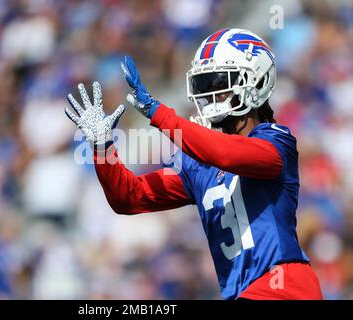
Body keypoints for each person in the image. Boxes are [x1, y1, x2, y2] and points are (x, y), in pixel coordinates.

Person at [64, 28, 323, 300]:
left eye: (220, 83)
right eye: (205, 86)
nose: (211, 95)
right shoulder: (198, 163)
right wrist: (102, 148)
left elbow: (228, 155)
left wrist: (158, 113)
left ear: (257, 81)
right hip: (243, 292)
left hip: (285, 287)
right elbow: (129, 198)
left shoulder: (277, 141)